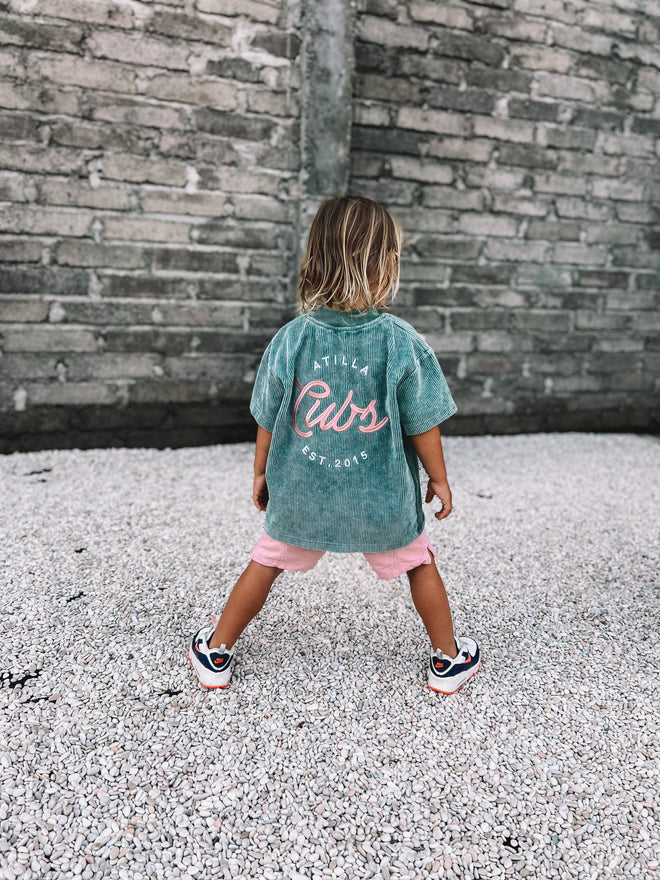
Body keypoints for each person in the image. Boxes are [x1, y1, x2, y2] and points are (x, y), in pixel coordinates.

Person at [188, 196, 480, 694]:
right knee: (419, 562)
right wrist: (439, 477)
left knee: (266, 561)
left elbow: (268, 418)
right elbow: (423, 422)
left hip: (304, 497)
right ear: (386, 264)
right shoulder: (400, 341)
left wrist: (260, 472)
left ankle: (216, 651)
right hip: (381, 498)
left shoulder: (291, 339)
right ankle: (448, 660)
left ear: (315, 259)